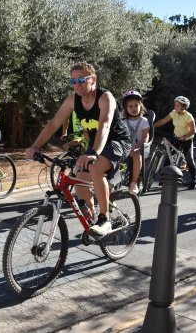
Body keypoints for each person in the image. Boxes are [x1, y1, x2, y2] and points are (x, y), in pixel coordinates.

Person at [25, 62, 131, 236]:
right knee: (79, 179)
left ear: (93, 79)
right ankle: (92, 218)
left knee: (96, 168)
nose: (77, 84)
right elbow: (53, 124)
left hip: (117, 141)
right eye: (73, 81)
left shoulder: (105, 97)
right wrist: (36, 146)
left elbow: (104, 125)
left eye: (82, 79)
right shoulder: (72, 100)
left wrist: (93, 153)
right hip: (95, 145)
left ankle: (105, 220)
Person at [153, 96, 196, 189]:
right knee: (168, 155)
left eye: (178, 105)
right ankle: (164, 178)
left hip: (187, 139)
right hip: (177, 137)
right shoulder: (174, 113)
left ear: (184, 106)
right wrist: (152, 126)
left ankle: (194, 180)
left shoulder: (188, 116)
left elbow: (193, 130)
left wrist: (184, 137)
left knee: (189, 159)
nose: (175, 106)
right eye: (175, 104)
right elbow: (163, 121)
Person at [121, 90, 150, 195]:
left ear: (140, 106)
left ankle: (133, 182)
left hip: (140, 148)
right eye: (130, 106)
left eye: (136, 105)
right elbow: (121, 137)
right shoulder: (123, 122)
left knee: (137, 155)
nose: (133, 108)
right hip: (126, 148)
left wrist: (138, 147)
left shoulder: (144, 121)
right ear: (126, 108)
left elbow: (145, 136)